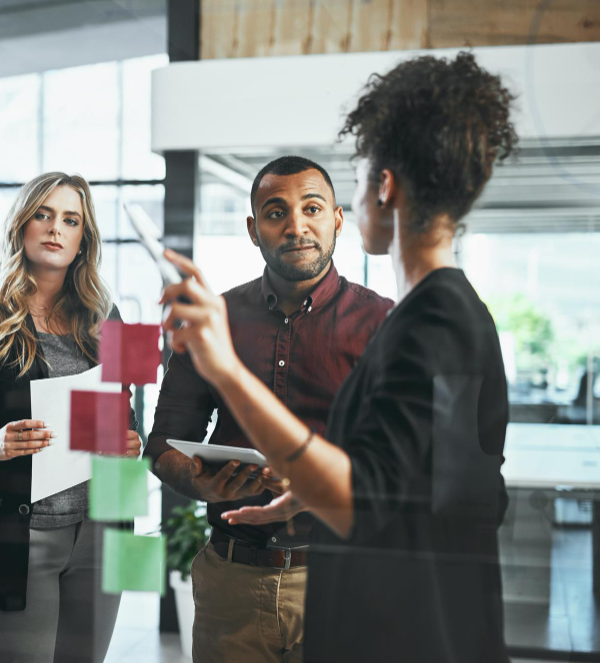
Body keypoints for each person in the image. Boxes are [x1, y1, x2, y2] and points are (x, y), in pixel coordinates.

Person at [158, 52, 516, 662]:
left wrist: (225, 371)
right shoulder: (446, 310)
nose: (299, 224)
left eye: (349, 181)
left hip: (418, 626)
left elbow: (370, 501)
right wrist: (304, 494)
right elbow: (430, 492)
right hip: (424, 615)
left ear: (383, 188)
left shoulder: (428, 321)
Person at [145, 156, 391, 662]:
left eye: (312, 208)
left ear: (337, 220)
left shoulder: (382, 323)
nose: (296, 225)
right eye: (276, 212)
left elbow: (397, 464)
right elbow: (162, 445)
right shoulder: (214, 320)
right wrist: (199, 480)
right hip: (232, 582)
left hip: (341, 577)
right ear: (254, 230)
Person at [0, 172, 141, 663]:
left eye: (70, 219)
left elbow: (130, 423)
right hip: (17, 539)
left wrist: (132, 445)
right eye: (43, 214)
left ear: (84, 238)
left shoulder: (109, 318)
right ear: (21, 224)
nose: (55, 228)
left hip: (103, 531)